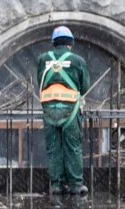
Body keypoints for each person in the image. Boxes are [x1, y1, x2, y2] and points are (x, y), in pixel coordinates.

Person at [37, 26, 91, 196]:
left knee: (53, 148)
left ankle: (56, 185)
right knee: (72, 147)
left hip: (49, 110)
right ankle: (75, 184)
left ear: (53, 43)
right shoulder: (77, 61)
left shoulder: (43, 59)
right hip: (70, 110)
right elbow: (85, 87)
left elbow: (40, 81)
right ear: (71, 43)